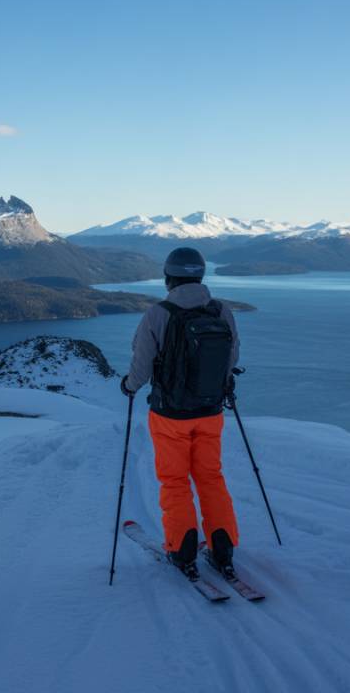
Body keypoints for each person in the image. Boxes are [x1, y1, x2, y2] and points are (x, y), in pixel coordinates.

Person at [120, 247, 240, 579]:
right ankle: (223, 548)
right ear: (200, 275)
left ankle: (182, 549)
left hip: (170, 415)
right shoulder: (221, 311)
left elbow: (141, 365)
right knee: (211, 478)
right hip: (211, 411)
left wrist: (129, 386)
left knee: (174, 481)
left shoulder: (159, 313)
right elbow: (231, 357)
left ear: (168, 277)